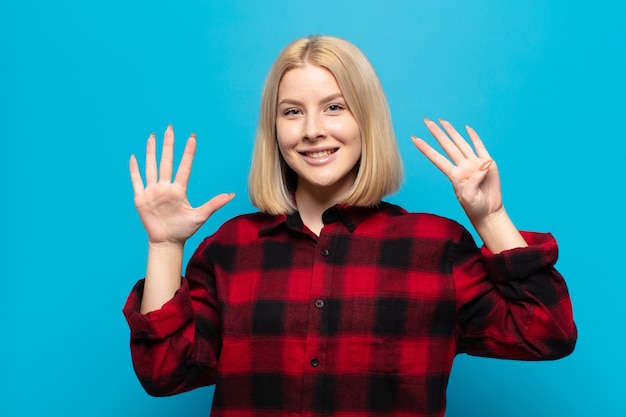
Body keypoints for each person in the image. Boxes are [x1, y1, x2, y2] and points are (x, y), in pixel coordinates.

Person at [123, 35, 576, 416]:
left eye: (334, 107)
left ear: (367, 118)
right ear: (274, 129)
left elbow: (547, 333)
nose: (312, 130)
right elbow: (163, 374)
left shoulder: (436, 247)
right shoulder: (232, 248)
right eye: (292, 112)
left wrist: (491, 218)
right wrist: (164, 246)